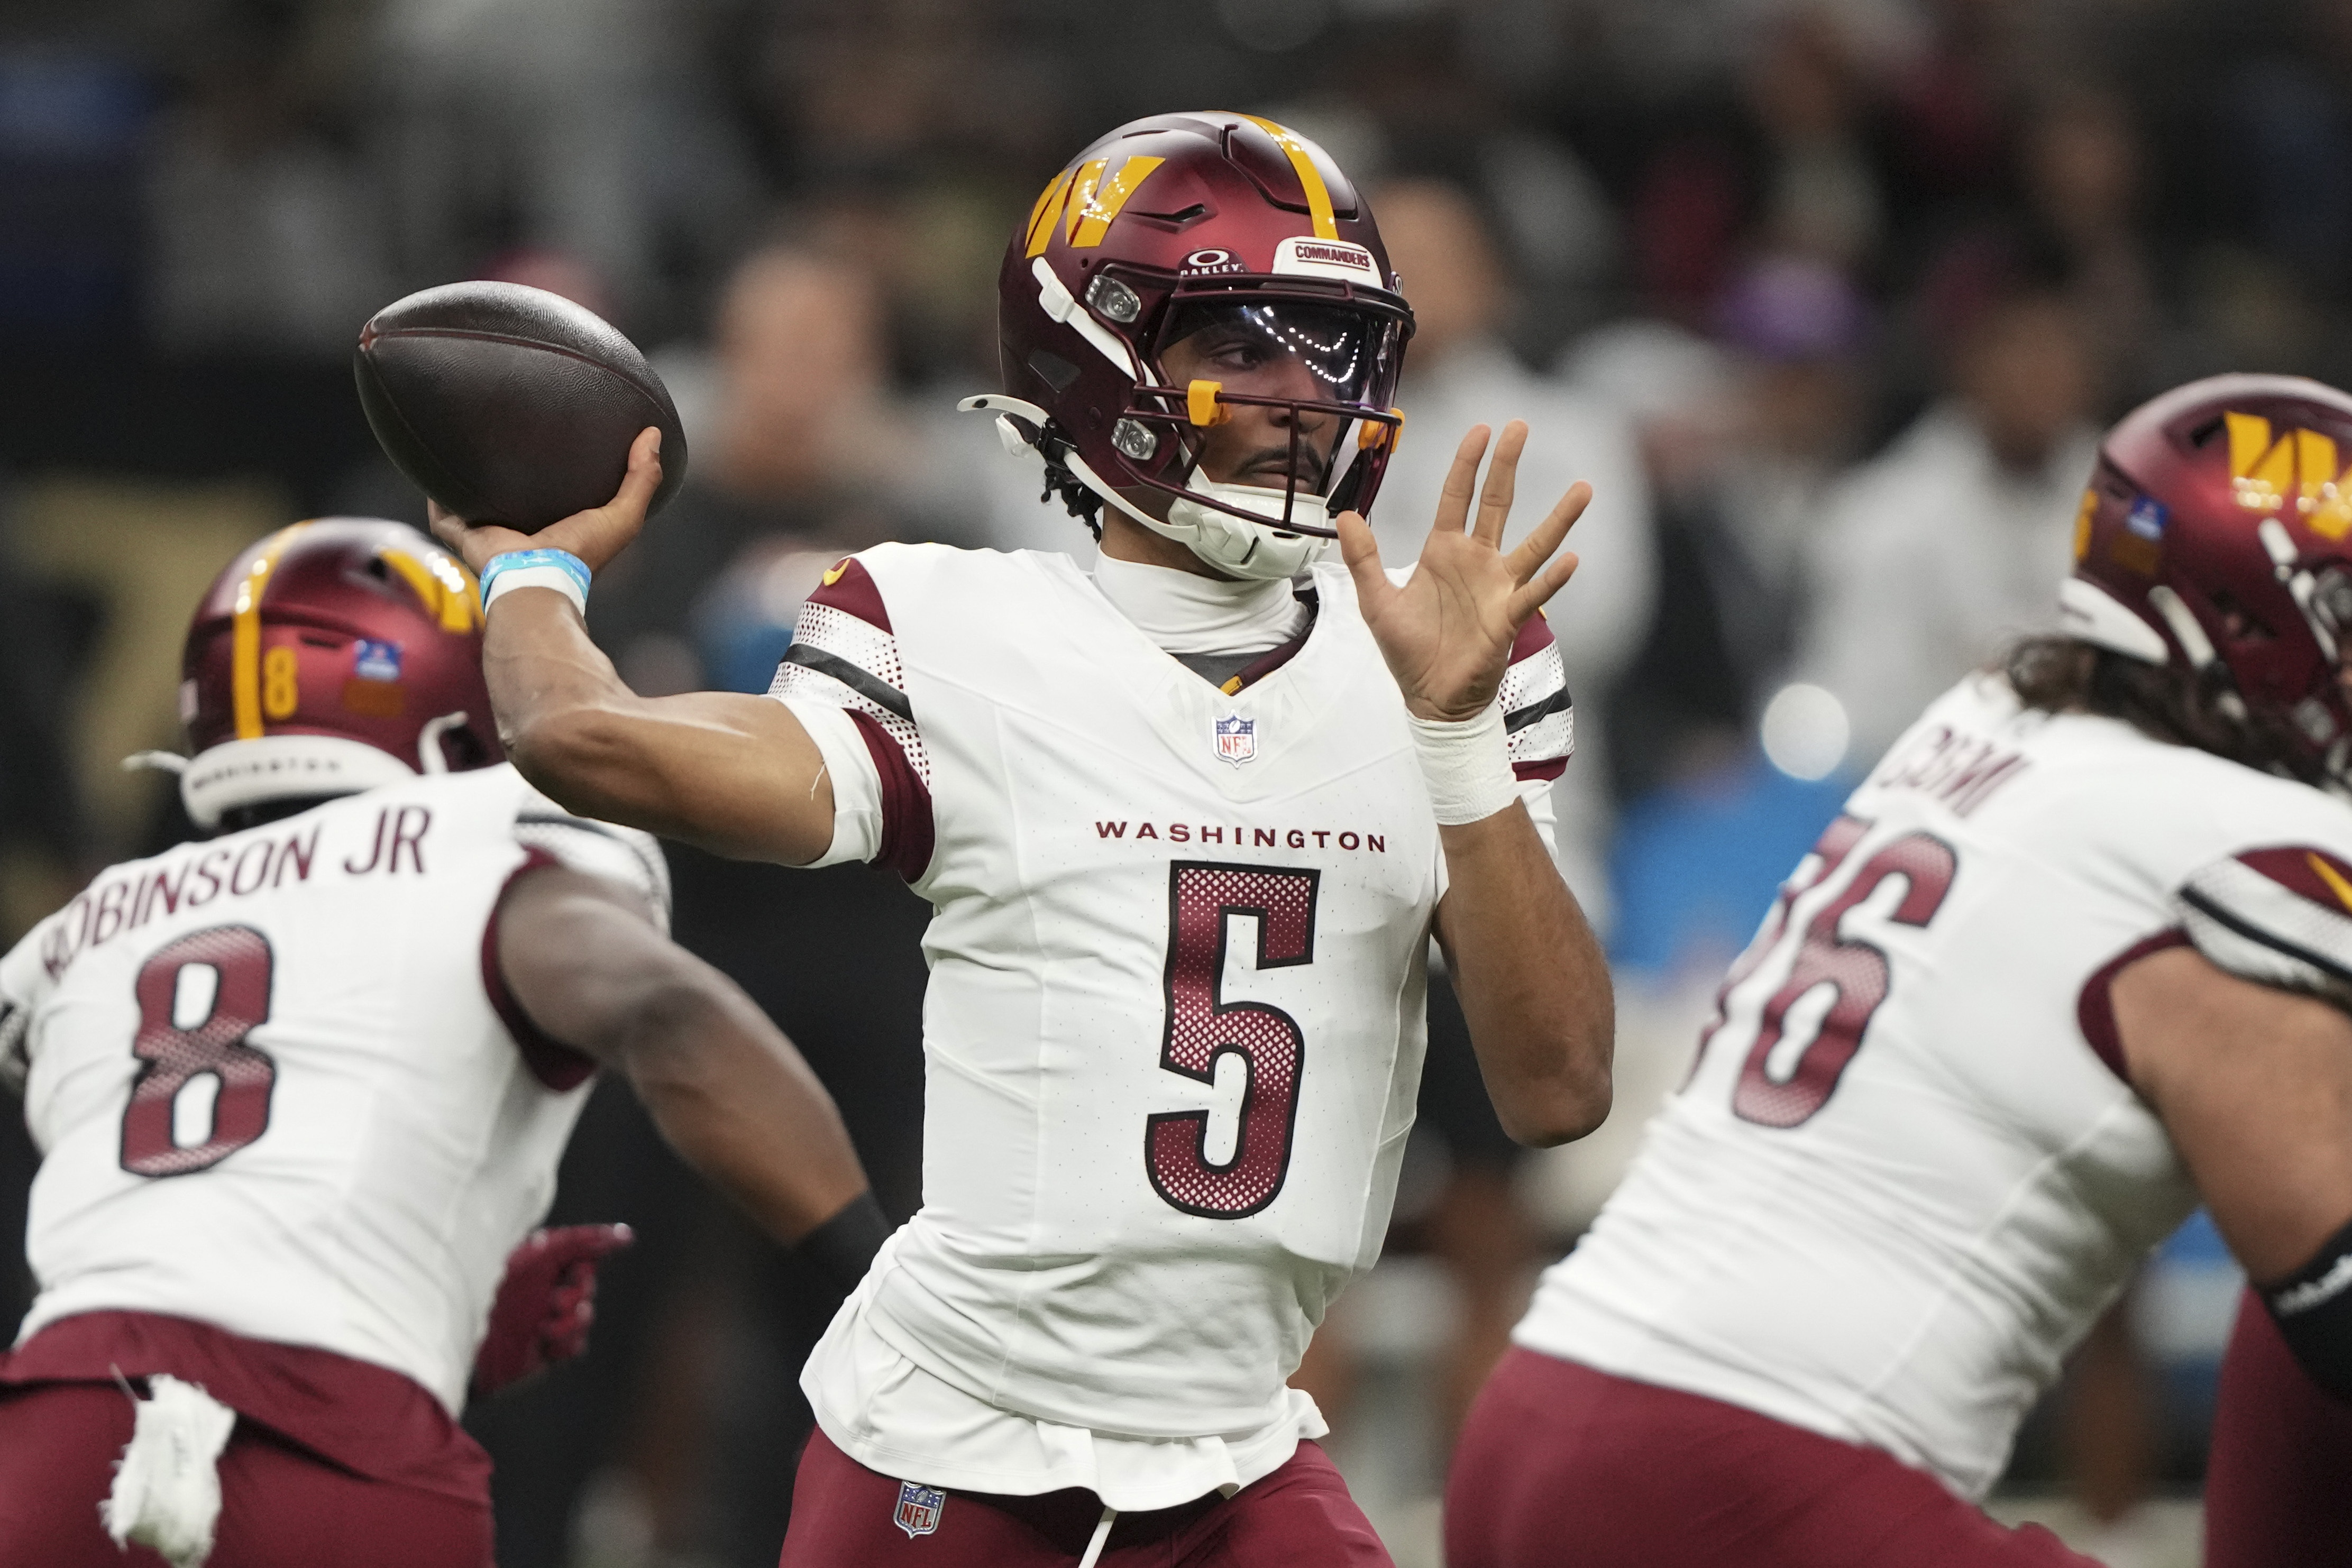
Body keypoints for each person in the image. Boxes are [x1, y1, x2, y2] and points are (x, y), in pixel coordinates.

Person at [431, 111, 1614, 1566]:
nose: (1305, 397)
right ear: (1097, 354)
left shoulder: (1451, 656)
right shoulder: (953, 624)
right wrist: (531, 574)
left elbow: (1558, 1085)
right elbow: (580, 739)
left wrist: (1452, 740)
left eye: (1332, 347)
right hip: (957, 1445)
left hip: (1238, 1443)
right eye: (1244, 345)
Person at [1445, 372, 2352, 1566]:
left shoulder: (1985, 726)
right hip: (1744, 1475)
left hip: (1547, 1419)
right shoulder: (2225, 841)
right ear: (2262, 624)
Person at [0, 519, 884, 1567]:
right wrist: (877, 1278)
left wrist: (441, 1301)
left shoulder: (87, 928)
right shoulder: (482, 845)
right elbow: (669, 1014)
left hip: (59, 1434)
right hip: (340, 1444)